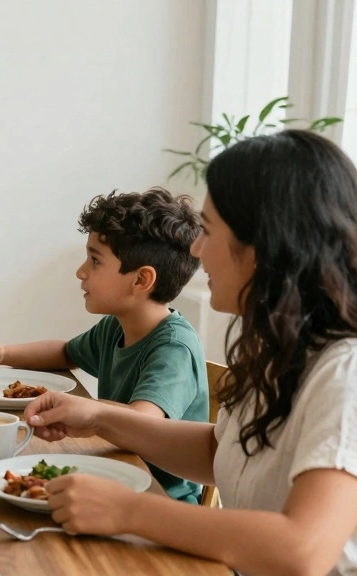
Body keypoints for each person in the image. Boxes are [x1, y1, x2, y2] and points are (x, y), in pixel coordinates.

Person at [23, 130, 357, 575]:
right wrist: (98, 417)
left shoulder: (345, 372)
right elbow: (220, 451)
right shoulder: (281, 349)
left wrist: (130, 511)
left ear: (263, 247)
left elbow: (301, 550)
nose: (197, 250)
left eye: (209, 231)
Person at [0, 188, 208, 502]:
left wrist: (88, 412)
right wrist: (3, 353)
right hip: (115, 474)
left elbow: (143, 420)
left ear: (140, 280)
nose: (81, 271)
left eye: (94, 261)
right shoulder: (115, 326)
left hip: (161, 500)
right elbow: (66, 352)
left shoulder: (174, 348)